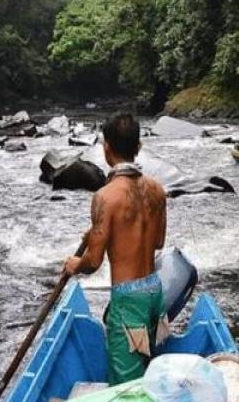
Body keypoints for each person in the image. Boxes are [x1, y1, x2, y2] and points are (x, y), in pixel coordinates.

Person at [63, 114, 169, 385]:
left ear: (106, 147)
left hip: (128, 300)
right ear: (139, 147)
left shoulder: (105, 197)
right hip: (154, 291)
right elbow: (157, 242)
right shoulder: (157, 190)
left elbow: (94, 261)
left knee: (125, 386)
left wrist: (76, 264)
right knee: (146, 367)